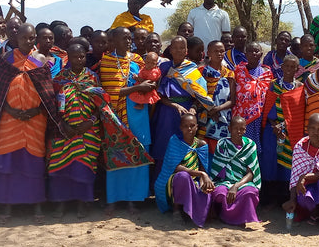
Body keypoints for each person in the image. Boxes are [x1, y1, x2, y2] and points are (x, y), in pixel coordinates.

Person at [49, 42, 153, 219]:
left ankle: (82, 204)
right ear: (68, 58)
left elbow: (101, 104)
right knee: (62, 169)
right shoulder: (59, 79)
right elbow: (54, 106)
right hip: (65, 131)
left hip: (88, 130)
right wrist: (65, 125)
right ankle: (62, 204)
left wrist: (89, 122)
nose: (79, 60)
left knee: (84, 167)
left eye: (82, 56)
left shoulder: (92, 77)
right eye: (75, 57)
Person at [0, 23, 63, 224]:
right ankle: (7, 205)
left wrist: (36, 110)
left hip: (34, 121)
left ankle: (36, 204)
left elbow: (47, 93)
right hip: (9, 120)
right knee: (9, 163)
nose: (28, 41)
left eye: (32, 38)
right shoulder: (6, 60)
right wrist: (10, 109)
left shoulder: (40, 60)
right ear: (16, 38)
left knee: (33, 164)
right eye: (24, 38)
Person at [96, 27, 153, 214]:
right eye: (124, 38)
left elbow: (149, 82)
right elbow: (110, 92)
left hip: (138, 114)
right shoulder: (107, 62)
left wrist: (146, 87)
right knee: (116, 155)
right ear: (114, 40)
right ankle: (114, 199)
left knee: (138, 153)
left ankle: (133, 200)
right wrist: (137, 88)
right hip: (116, 116)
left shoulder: (137, 60)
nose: (129, 41)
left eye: (130, 38)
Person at [151, 36, 213, 183]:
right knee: (163, 147)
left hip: (186, 115)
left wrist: (192, 109)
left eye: (182, 48)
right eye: (175, 47)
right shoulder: (164, 68)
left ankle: (183, 186)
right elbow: (157, 93)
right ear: (170, 50)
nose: (178, 51)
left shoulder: (193, 69)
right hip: (166, 112)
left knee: (184, 148)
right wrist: (174, 105)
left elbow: (200, 95)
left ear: (186, 51)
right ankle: (162, 187)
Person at [260, 55, 305, 206]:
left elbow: (298, 113)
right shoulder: (273, 85)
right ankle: (267, 197)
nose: (289, 69)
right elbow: (268, 106)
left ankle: (284, 197)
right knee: (269, 160)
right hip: (271, 130)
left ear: (297, 70)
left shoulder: (299, 87)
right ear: (282, 67)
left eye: (293, 67)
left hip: (290, 131)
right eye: (287, 66)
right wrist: (275, 126)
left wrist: (283, 126)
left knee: (287, 162)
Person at [155, 113, 213, 227]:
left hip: (194, 181)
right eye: (185, 126)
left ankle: (191, 212)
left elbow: (203, 168)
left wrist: (203, 183)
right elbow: (175, 167)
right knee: (183, 176)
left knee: (208, 190)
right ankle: (177, 210)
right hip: (175, 180)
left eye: (192, 126)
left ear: (197, 127)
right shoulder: (175, 141)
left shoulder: (201, 145)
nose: (189, 129)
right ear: (180, 127)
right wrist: (201, 174)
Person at [210, 116, 262, 225]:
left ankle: (241, 219)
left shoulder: (250, 145)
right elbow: (218, 169)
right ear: (229, 129)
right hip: (225, 181)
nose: (239, 131)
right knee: (220, 193)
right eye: (235, 128)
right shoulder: (222, 144)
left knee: (250, 192)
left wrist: (236, 186)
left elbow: (251, 172)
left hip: (243, 182)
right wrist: (229, 185)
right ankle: (224, 216)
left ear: (245, 130)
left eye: (242, 129)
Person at [231, 42, 273, 147]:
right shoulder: (238, 70)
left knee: (254, 144)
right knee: (239, 142)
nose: (253, 53)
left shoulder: (266, 73)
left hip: (259, 115)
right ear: (245, 54)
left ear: (261, 54)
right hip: (240, 113)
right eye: (250, 51)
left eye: (256, 51)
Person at [199, 40, 235, 150]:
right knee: (203, 148)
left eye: (222, 51)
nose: (219, 54)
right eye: (215, 51)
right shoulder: (201, 71)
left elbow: (232, 100)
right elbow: (197, 95)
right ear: (208, 53)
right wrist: (209, 110)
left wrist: (217, 109)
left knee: (220, 152)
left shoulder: (229, 73)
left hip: (223, 118)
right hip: (204, 116)